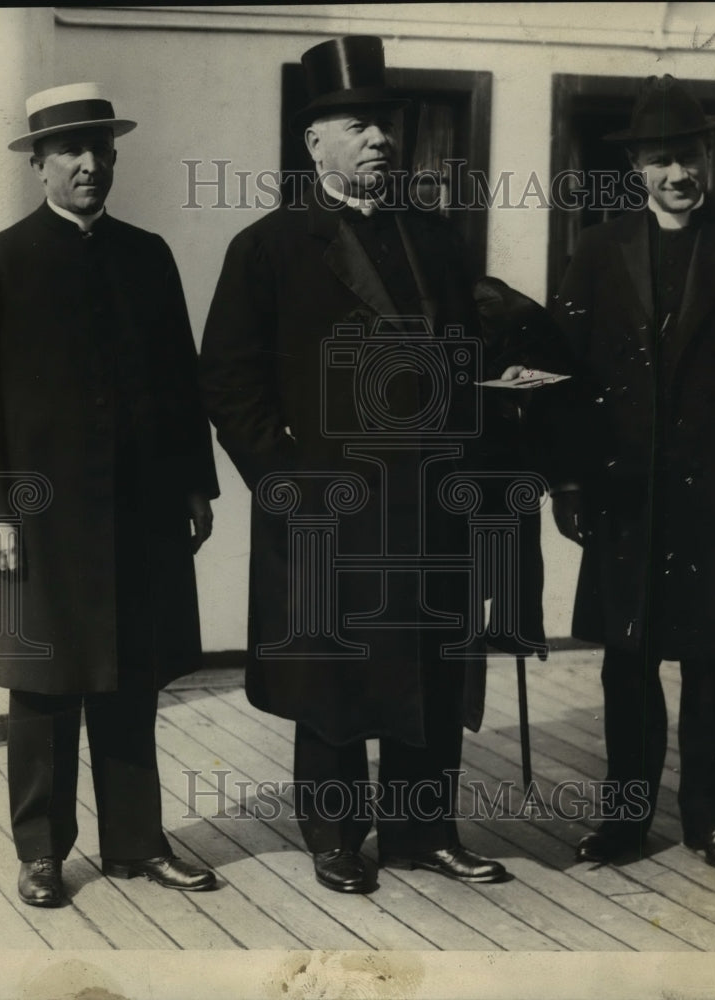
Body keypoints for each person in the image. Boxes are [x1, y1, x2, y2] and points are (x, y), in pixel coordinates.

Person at [200, 35, 525, 894]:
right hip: (330, 505)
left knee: (431, 664)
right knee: (333, 675)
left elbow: (465, 356)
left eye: (384, 124)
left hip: (430, 502)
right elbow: (230, 382)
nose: (378, 139)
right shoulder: (268, 246)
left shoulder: (436, 239)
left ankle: (424, 834)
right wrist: (289, 481)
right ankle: (336, 838)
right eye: (356, 125)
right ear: (315, 144)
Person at [0, 83, 220, 906]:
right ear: (39, 166)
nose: (89, 165)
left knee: (131, 678)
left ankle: (136, 844)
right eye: (70, 152)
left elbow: (179, 384)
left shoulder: (148, 255)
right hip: (36, 520)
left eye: (101, 150)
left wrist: (195, 486)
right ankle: (41, 853)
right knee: (44, 686)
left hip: (139, 515)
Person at [550, 75, 715, 874]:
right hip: (626, 497)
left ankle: (708, 824)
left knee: (709, 668)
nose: (677, 174)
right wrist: (568, 481)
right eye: (660, 160)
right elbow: (566, 373)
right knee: (625, 668)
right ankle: (623, 825)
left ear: (707, 157)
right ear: (636, 169)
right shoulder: (596, 248)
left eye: (688, 156)